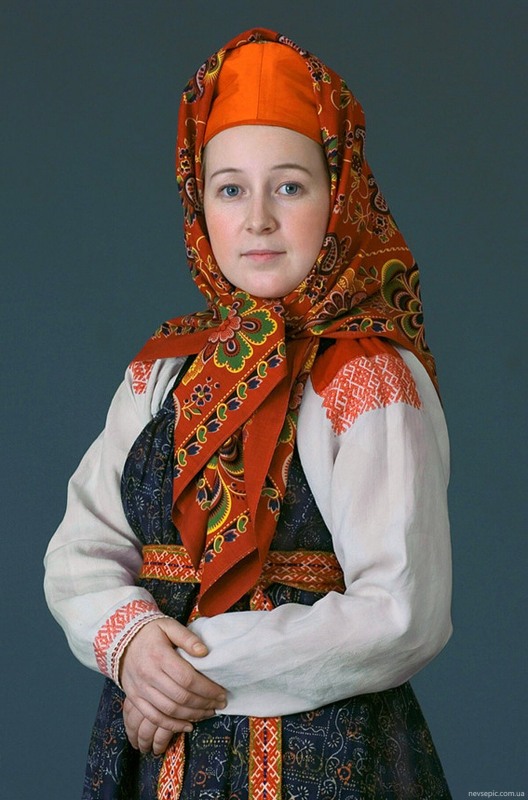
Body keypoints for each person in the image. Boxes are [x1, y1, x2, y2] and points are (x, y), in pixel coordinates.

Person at [44, 27, 453, 799]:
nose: (258, 218)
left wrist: (183, 671)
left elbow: (401, 612)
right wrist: (132, 645)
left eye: (290, 187)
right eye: (230, 189)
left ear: (340, 197)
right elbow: (81, 550)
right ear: (199, 204)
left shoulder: (366, 376)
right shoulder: (164, 370)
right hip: (155, 753)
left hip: (323, 755)